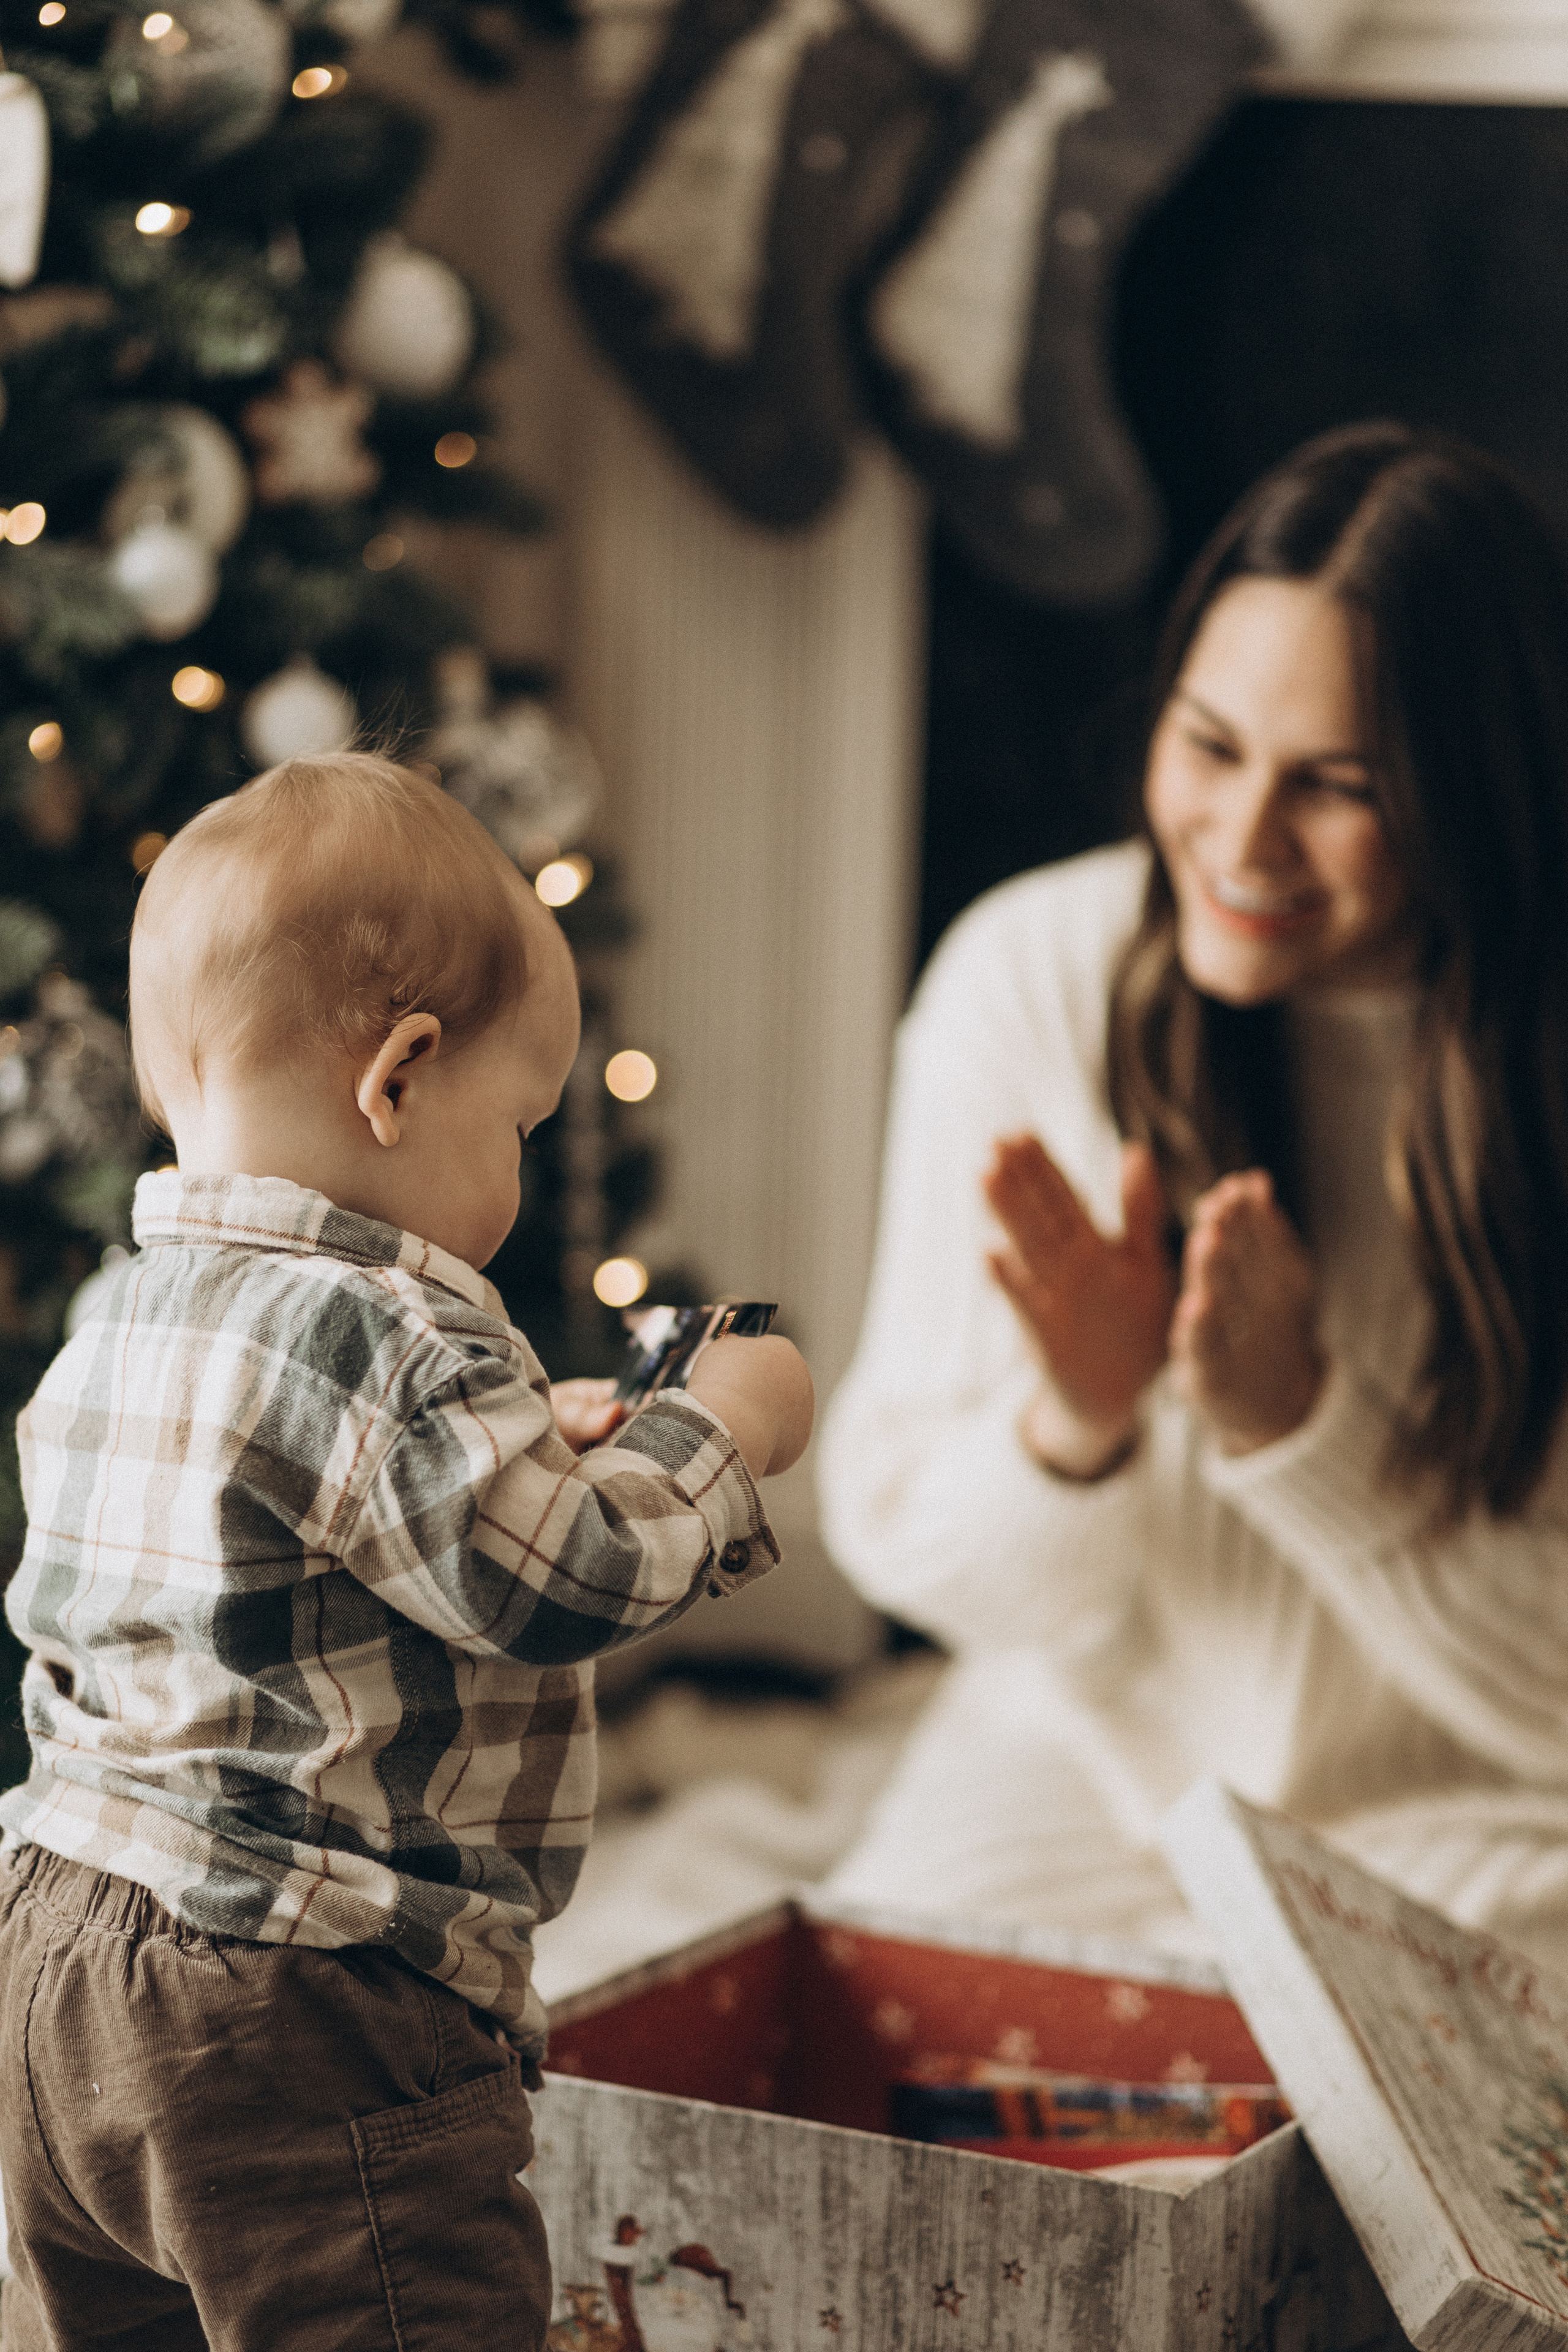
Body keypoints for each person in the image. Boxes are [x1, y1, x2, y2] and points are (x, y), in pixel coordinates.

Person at [0, 754, 813, 2351]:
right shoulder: (389, 1327)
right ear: (401, 1077)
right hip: (293, 2007)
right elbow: (555, 1580)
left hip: (49, 1965)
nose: (517, 1166)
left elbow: (289, 1552)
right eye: (520, 1120)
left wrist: (533, 1448)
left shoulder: (118, 1317)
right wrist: (725, 1426)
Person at [819, 421, 1568, 1971]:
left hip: (1486, 1813)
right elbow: (902, 1547)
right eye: (1209, 747)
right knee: (846, 2107)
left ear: (1471, 786)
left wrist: (1303, 1431)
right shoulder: (1031, 974)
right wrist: (1073, 1427)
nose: (1238, 842)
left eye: (1335, 787)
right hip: (1088, 1772)